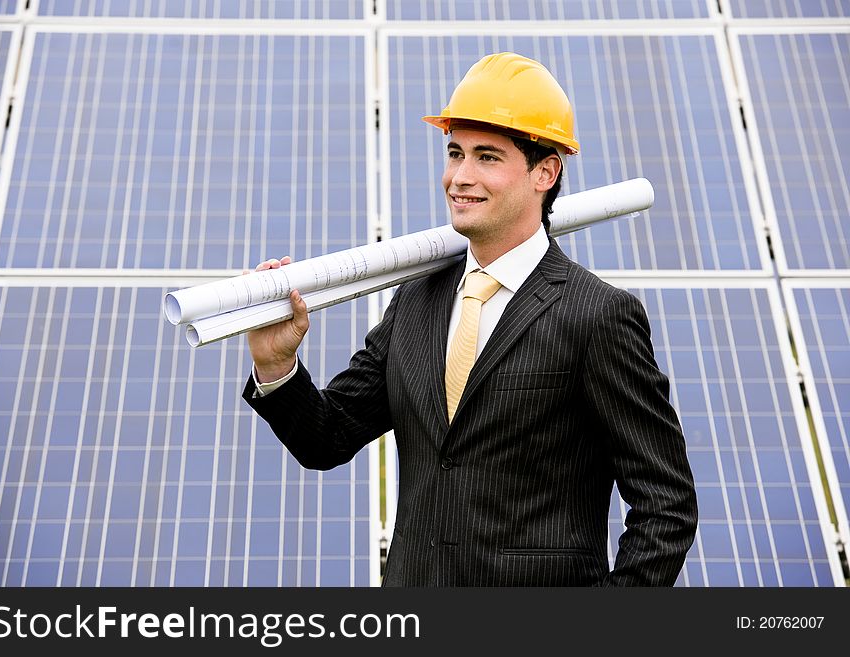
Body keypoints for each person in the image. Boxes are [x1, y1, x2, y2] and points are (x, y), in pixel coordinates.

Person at [242, 52, 698, 586]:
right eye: (455, 153)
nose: (460, 176)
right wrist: (277, 365)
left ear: (545, 172)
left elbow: (666, 507)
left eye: (487, 157)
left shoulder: (597, 316)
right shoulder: (416, 300)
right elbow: (327, 439)